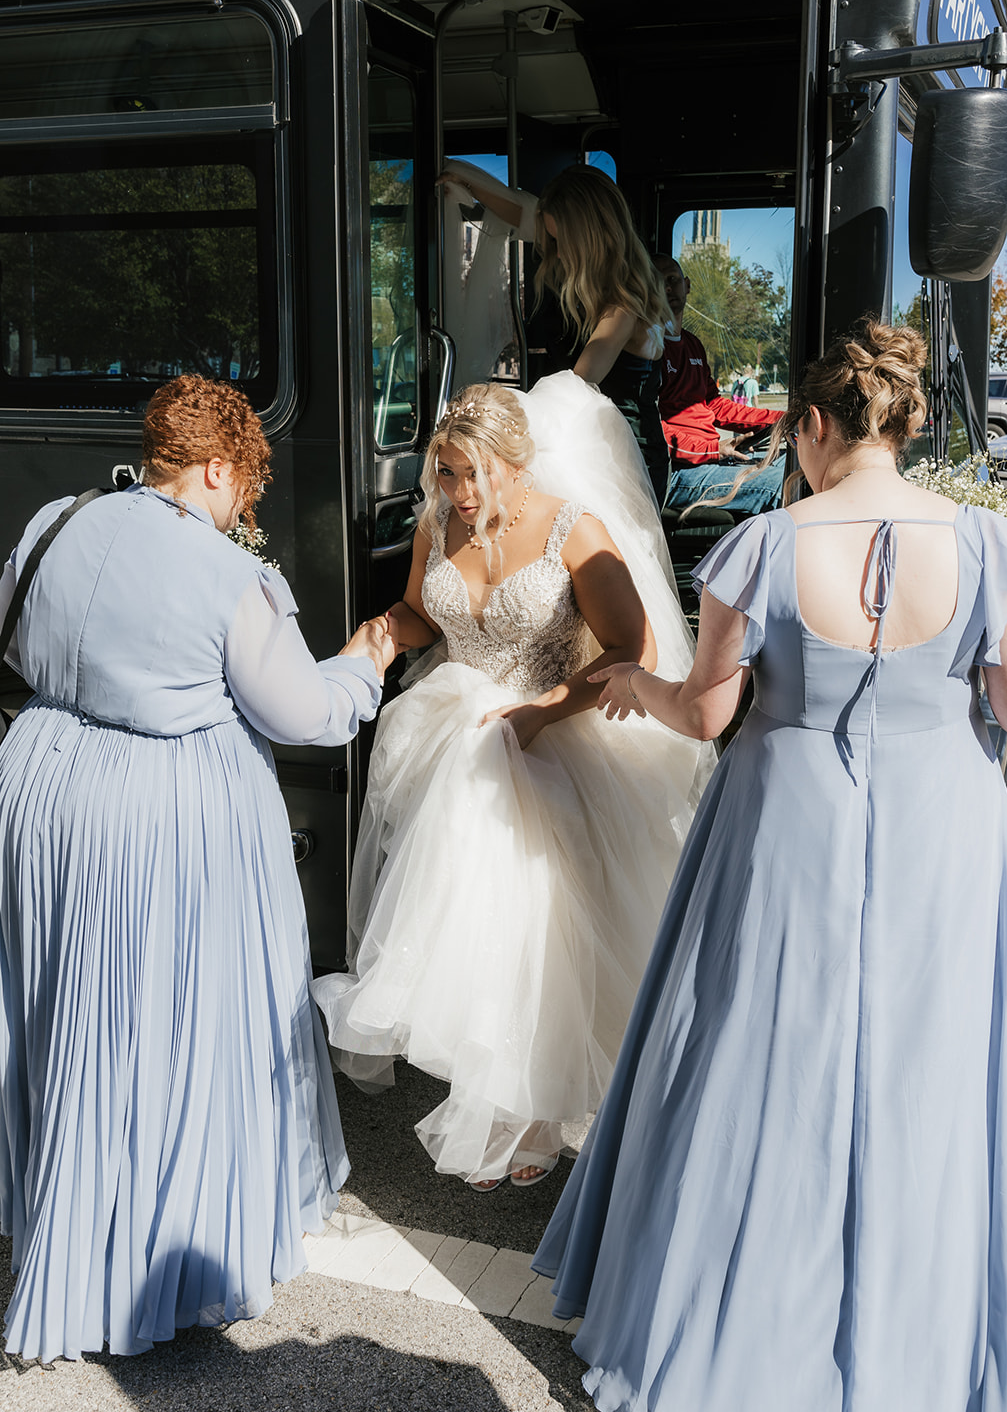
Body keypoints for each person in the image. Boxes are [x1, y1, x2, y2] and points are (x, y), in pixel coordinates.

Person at [533, 322, 1007, 1411]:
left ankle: (745, 1307)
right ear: (905, 426)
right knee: (927, 1064)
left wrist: (637, 685)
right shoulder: (991, 545)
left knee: (763, 1054)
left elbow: (710, 713)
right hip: (943, 826)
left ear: (812, 426)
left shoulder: (760, 546)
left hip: (784, 813)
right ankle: (919, 1320)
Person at [0, 375, 393, 1363]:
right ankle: (148, 1268)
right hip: (159, 811)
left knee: (70, 1017)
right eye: (241, 491)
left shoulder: (58, 519)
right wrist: (362, 664)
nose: (241, 512)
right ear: (217, 467)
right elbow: (301, 713)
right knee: (168, 1031)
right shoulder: (232, 577)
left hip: (43, 781)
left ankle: (68, 1214)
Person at [313, 374, 708, 1189]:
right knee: (472, 934)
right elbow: (428, 611)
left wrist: (541, 712)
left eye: (471, 473)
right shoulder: (437, 521)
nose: (457, 493)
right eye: (445, 473)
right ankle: (491, 1099)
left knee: (547, 938)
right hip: (457, 741)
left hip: (557, 740)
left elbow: (632, 651)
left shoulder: (572, 528)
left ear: (515, 464)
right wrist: (387, 629)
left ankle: (537, 1111)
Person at [439, 163, 673, 504]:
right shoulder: (595, 281)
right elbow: (519, 212)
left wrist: (497, 414)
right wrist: (465, 183)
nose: (558, 252)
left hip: (625, 462)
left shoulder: (625, 304)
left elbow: (578, 384)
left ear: (591, 236)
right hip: (582, 446)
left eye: (563, 240)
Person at [653, 253, 784, 516]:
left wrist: (780, 419)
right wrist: (714, 449)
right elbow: (651, 431)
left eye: (673, 279)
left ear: (686, 285)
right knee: (783, 487)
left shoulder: (692, 344)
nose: (668, 287)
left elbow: (714, 406)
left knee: (793, 468)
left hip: (712, 459)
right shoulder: (649, 348)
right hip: (676, 473)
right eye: (657, 281)